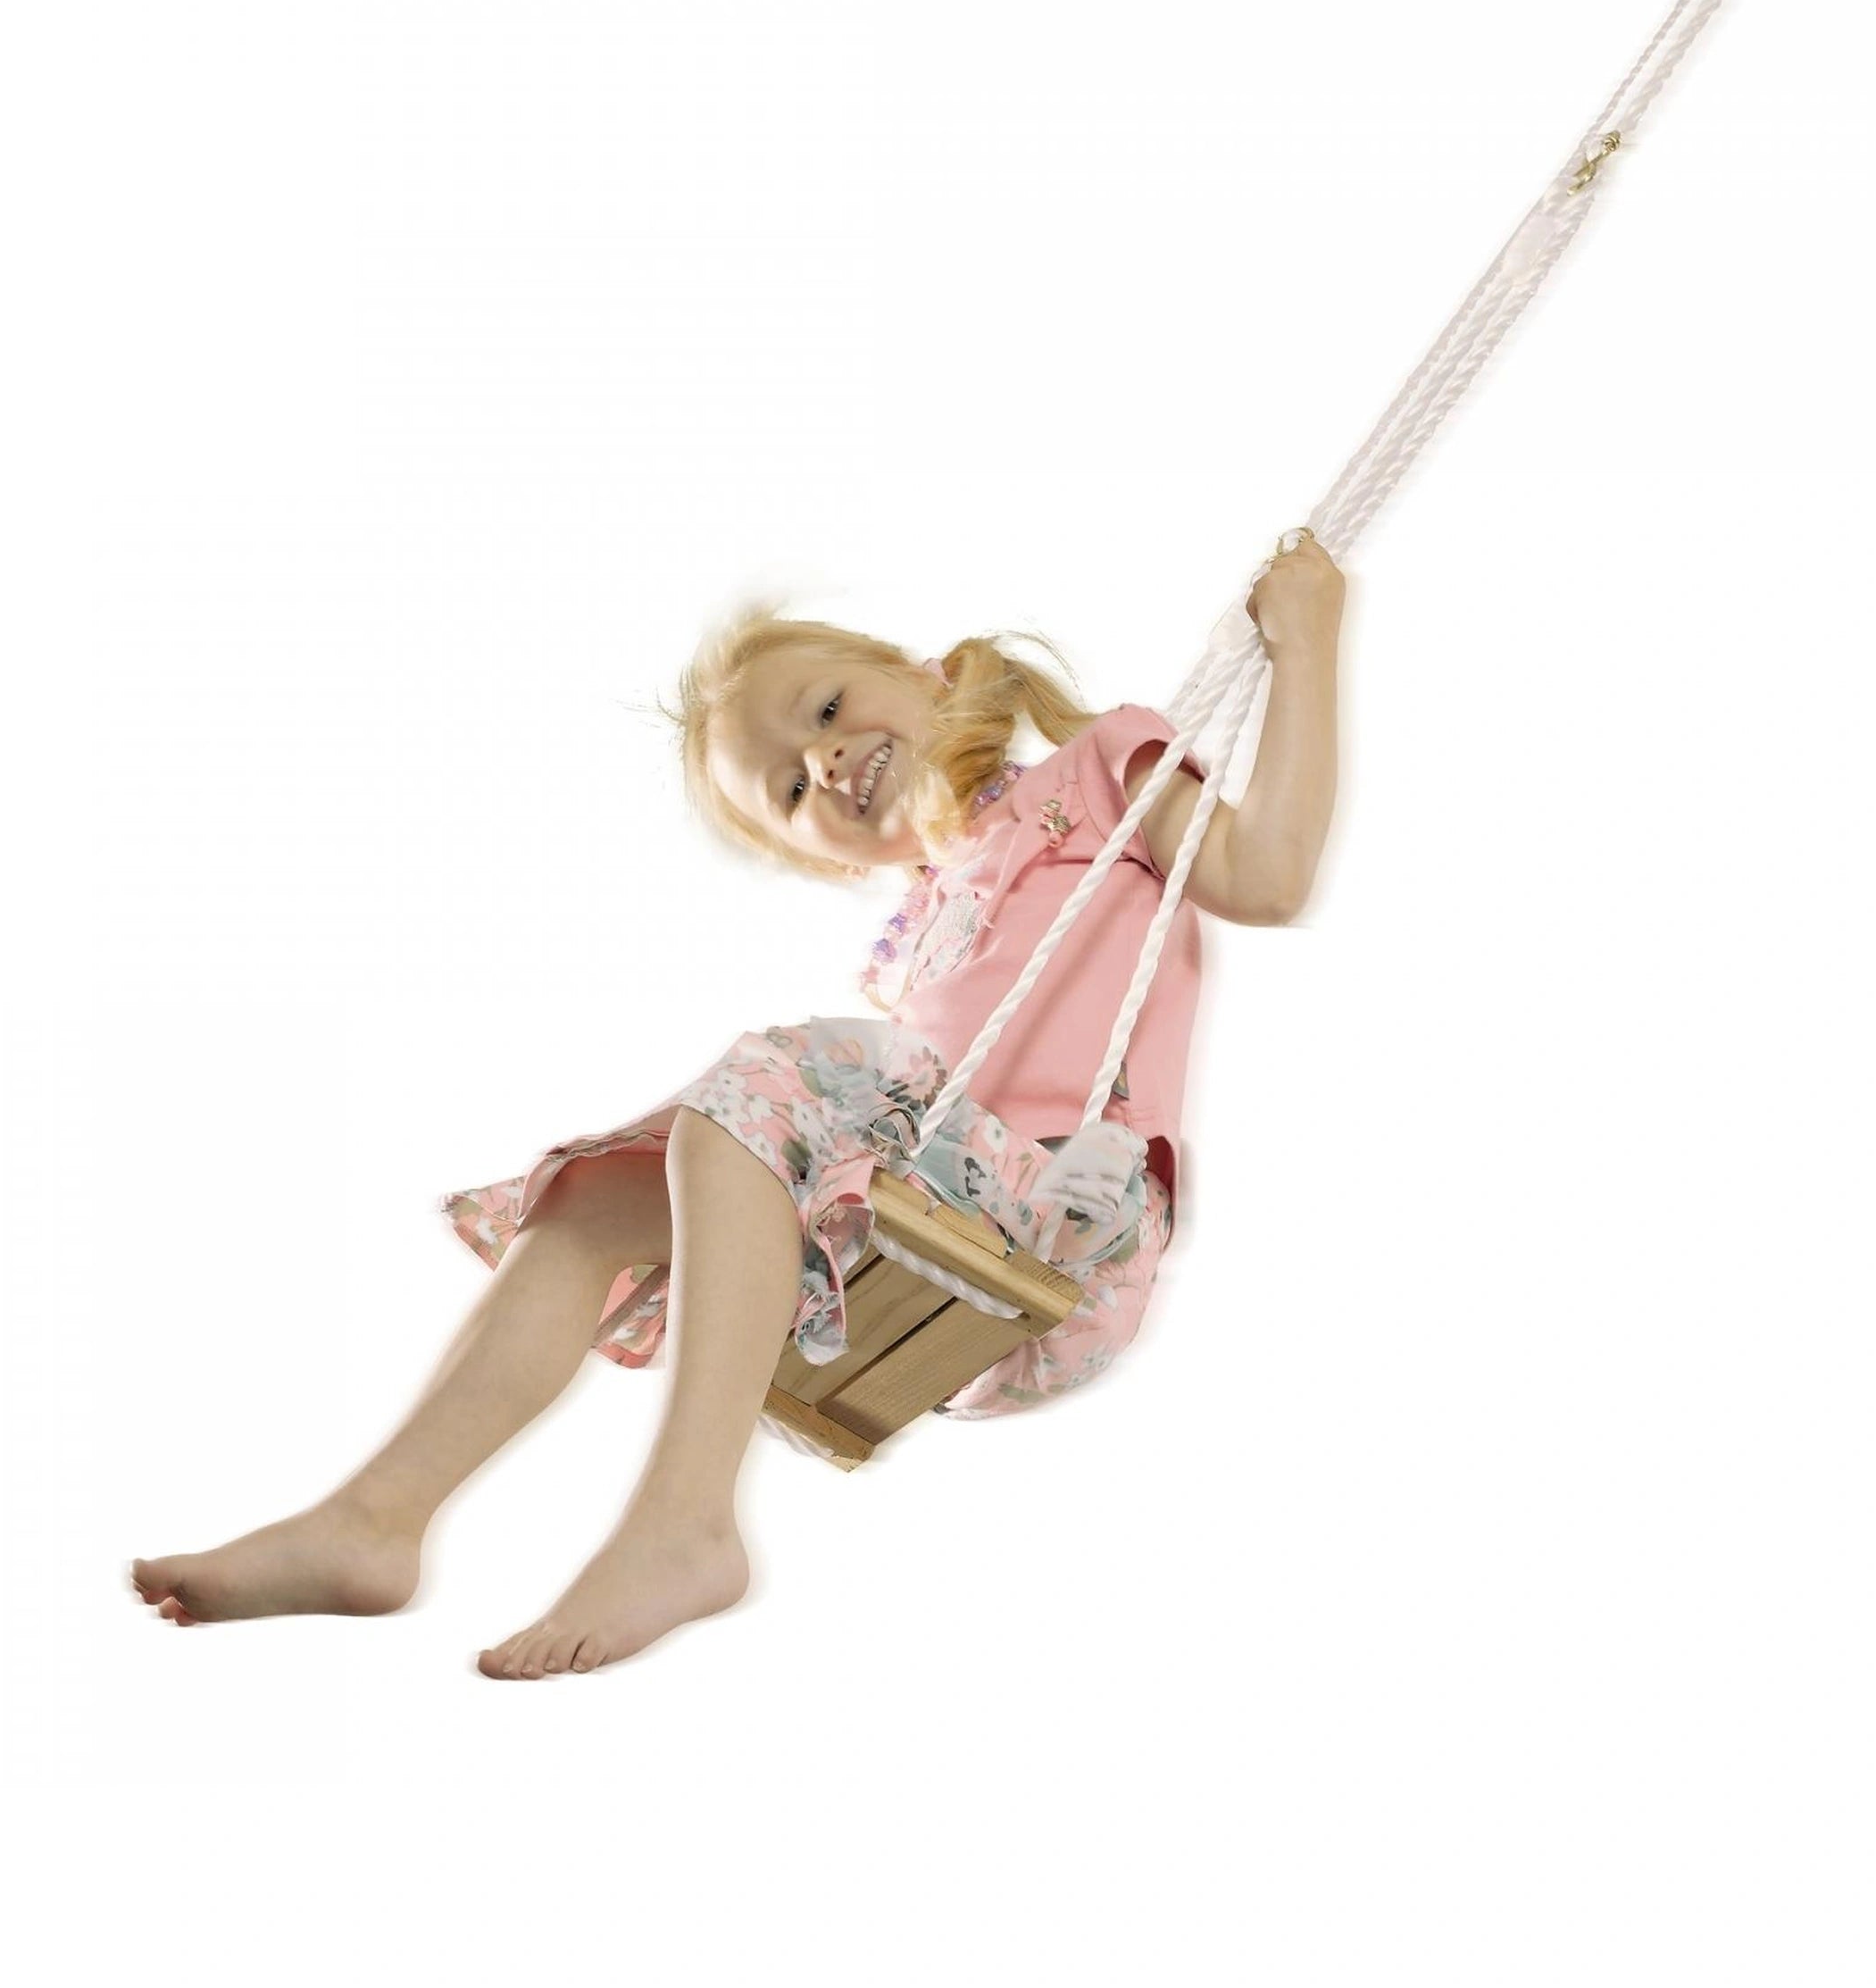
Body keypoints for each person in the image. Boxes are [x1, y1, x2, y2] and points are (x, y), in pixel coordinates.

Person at [130, 532, 1346, 1678]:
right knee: (595, 1199)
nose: (826, 760)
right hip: (926, 1238)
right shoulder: (914, 937)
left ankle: (685, 1523)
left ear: (923, 674)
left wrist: (1309, 640)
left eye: (825, 710)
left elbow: (1270, 874)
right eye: (792, 788)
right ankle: (375, 1519)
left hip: (1066, 1218)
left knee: (756, 1087)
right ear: (831, 859)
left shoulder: (1101, 774)